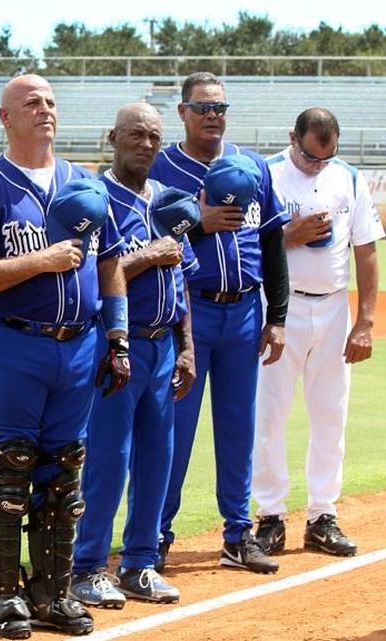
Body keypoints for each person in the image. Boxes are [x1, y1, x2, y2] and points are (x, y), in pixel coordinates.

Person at [0, 74, 129, 638]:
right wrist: (40, 261)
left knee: (64, 475)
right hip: (14, 342)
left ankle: (54, 592)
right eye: (32, 103)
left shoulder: (83, 183)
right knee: (10, 470)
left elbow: (109, 264)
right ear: (5, 118)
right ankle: (5, 594)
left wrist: (119, 336)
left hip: (80, 344)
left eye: (51, 102)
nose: (45, 110)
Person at [149, 71, 290, 574]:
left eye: (220, 108)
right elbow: (150, 239)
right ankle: (156, 534)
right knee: (175, 431)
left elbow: (272, 241)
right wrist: (198, 223)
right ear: (182, 111)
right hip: (190, 312)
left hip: (245, 311)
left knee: (237, 428)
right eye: (203, 107)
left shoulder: (250, 165)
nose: (213, 116)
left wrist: (277, 317)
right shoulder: (162, 169)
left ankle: (237, 532)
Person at [70, 103, 196, 610]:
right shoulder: (95, 198)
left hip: (164, 343)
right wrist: (149, 255)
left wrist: (187, 346)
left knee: (157, 457)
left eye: (154, 137)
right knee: (109, 456)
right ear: (113, 137)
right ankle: (87, 566)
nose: (146, 145)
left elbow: (181, 276)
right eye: (136, 135)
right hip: (114, 345)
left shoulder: (168, 200)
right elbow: (91, 272)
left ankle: (140, 562)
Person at [252, 108, 383, 557]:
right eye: (309, 157)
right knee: (270, 414)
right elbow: (243, 245)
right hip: (279, 311)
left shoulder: (346, 177)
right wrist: (286, 234)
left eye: (324, 158)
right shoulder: (266, 175)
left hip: (331, 308)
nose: (316, 165)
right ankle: (269, 516)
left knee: (331, 414)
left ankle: (322, 515)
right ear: (293, 138)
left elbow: (365, 250)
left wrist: (364, 321)